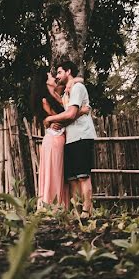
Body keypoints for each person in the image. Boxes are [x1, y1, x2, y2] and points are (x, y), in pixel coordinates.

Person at [43, 60, 97, 217]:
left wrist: (49, 120)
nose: (57, 76)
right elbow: (67, 107)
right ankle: (76, 211)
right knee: (72, 178)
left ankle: (87, 211)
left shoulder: (78, 88)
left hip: (81, 135)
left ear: (68, 72)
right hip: (70, 138)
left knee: (83, 176)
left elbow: (70, 114)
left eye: (60, 72)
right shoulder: (67, 92)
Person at [30, 70, 89, 211]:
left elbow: (80, 79)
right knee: (55, 174)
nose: (54, 77)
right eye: (51, 76)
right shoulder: (45, 100)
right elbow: (63, 119)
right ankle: (51, 207)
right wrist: (81, 111)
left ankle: (64, 207)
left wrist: (72, 81)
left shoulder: (57, 94)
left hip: (63, 138)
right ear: (45, 81)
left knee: (63, 176)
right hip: (54, 140)